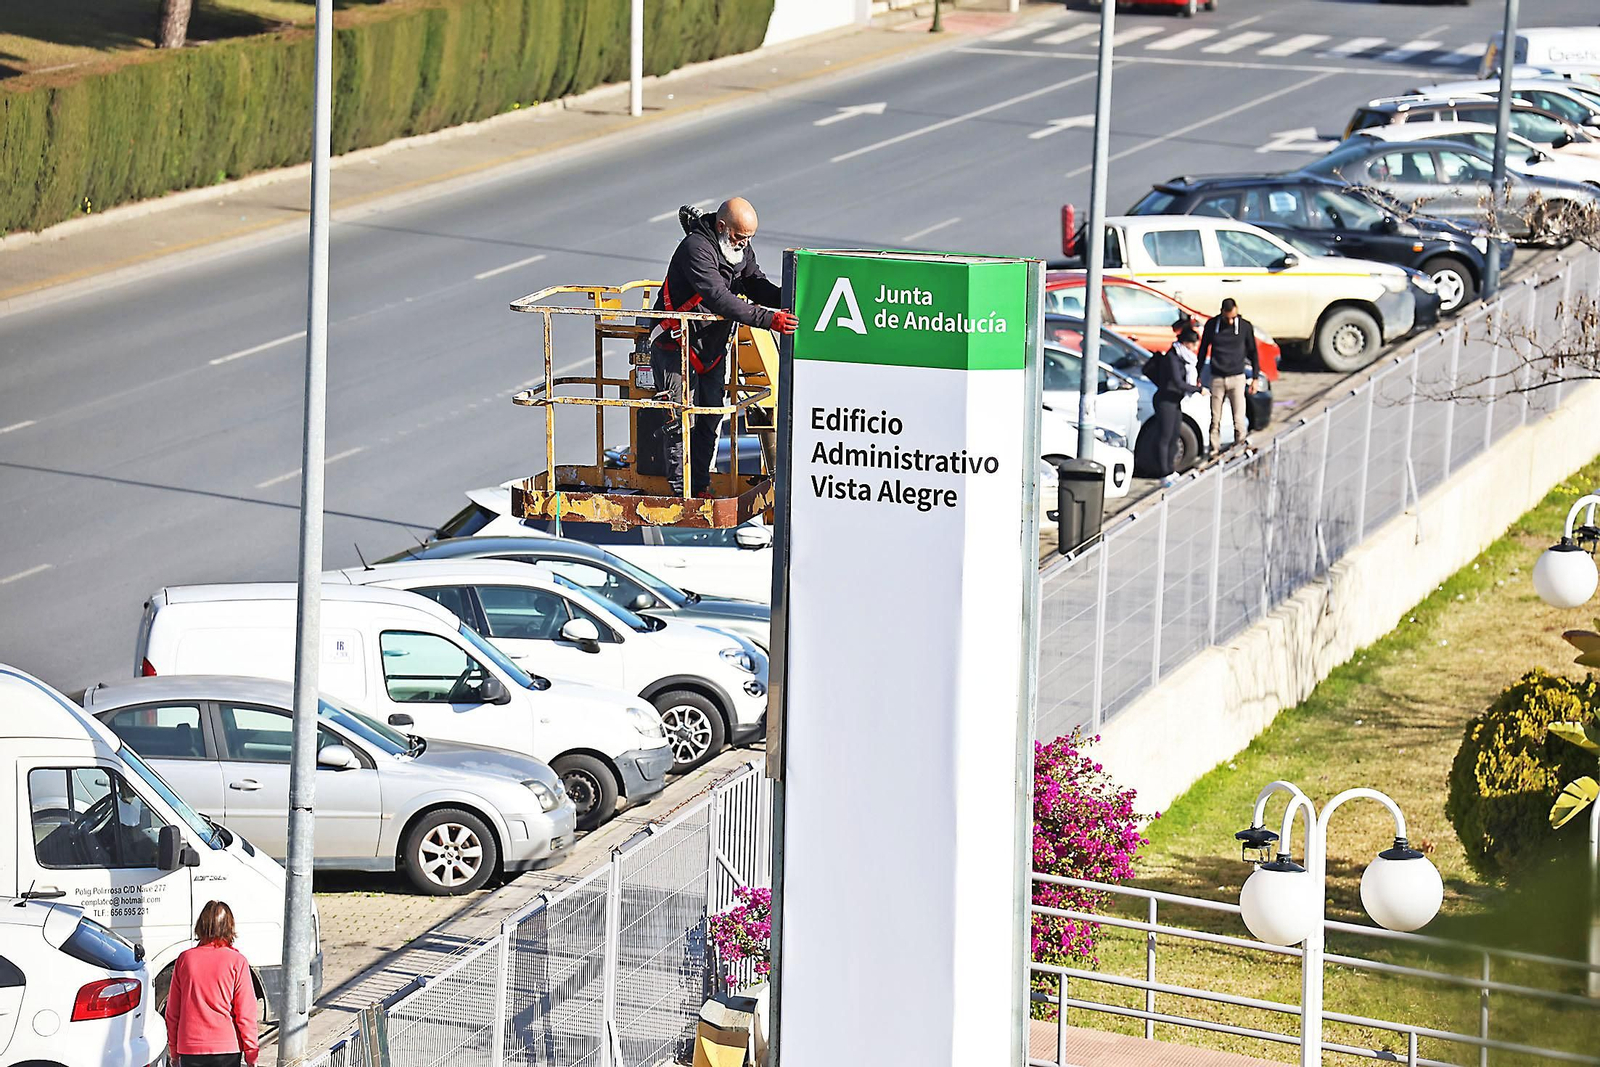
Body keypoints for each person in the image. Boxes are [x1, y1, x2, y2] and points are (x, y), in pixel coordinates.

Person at [650, 197, 797, 497]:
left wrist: (789, 298)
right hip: (675, 349)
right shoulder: (696, 249)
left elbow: (755, 283)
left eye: (749, 239)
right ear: (721, 227)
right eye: (740, 237)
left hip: (711, 350)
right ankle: (683, 494)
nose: (744, 244)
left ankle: (700, 485)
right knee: (680, 422)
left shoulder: (739, 248)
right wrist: (770, 320)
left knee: (710, 418)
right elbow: (718, 297)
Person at [165, 901, 259, 1067]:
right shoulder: (237, 962)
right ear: (229, 927)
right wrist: (252, 1055)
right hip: (227, 1049)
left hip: (190, 1048)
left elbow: (173, 1013)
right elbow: (246, 1015)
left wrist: (174, 1052)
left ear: (201, 926)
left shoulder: (185, 960)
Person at [1196, 297, 1261, 456]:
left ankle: (1239, 447)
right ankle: (1214, 449)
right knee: (1215, 418)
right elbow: (1203, 349)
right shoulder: (1212, 325)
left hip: (1237, 377)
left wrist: (1255, 377)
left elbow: (1253, 352)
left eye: (1233, 317)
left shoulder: (1245, 327)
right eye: (1227, 318)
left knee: (1238, 418)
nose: (1231, 322)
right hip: (1217, 378)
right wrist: (1198, 373)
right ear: (1222, 313)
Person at [1145, 325, 1202, 485]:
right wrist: (1197, 389)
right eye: (1194, 344)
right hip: (1165, 400)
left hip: (1175, 401)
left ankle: (1170, 468)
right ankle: (1164, 472)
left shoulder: (1184, 358)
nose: (1195, 348)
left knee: (1174, 434)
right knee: (1165, 436)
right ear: (1186, 343)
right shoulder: (1172, 357)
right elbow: (1177, 382)